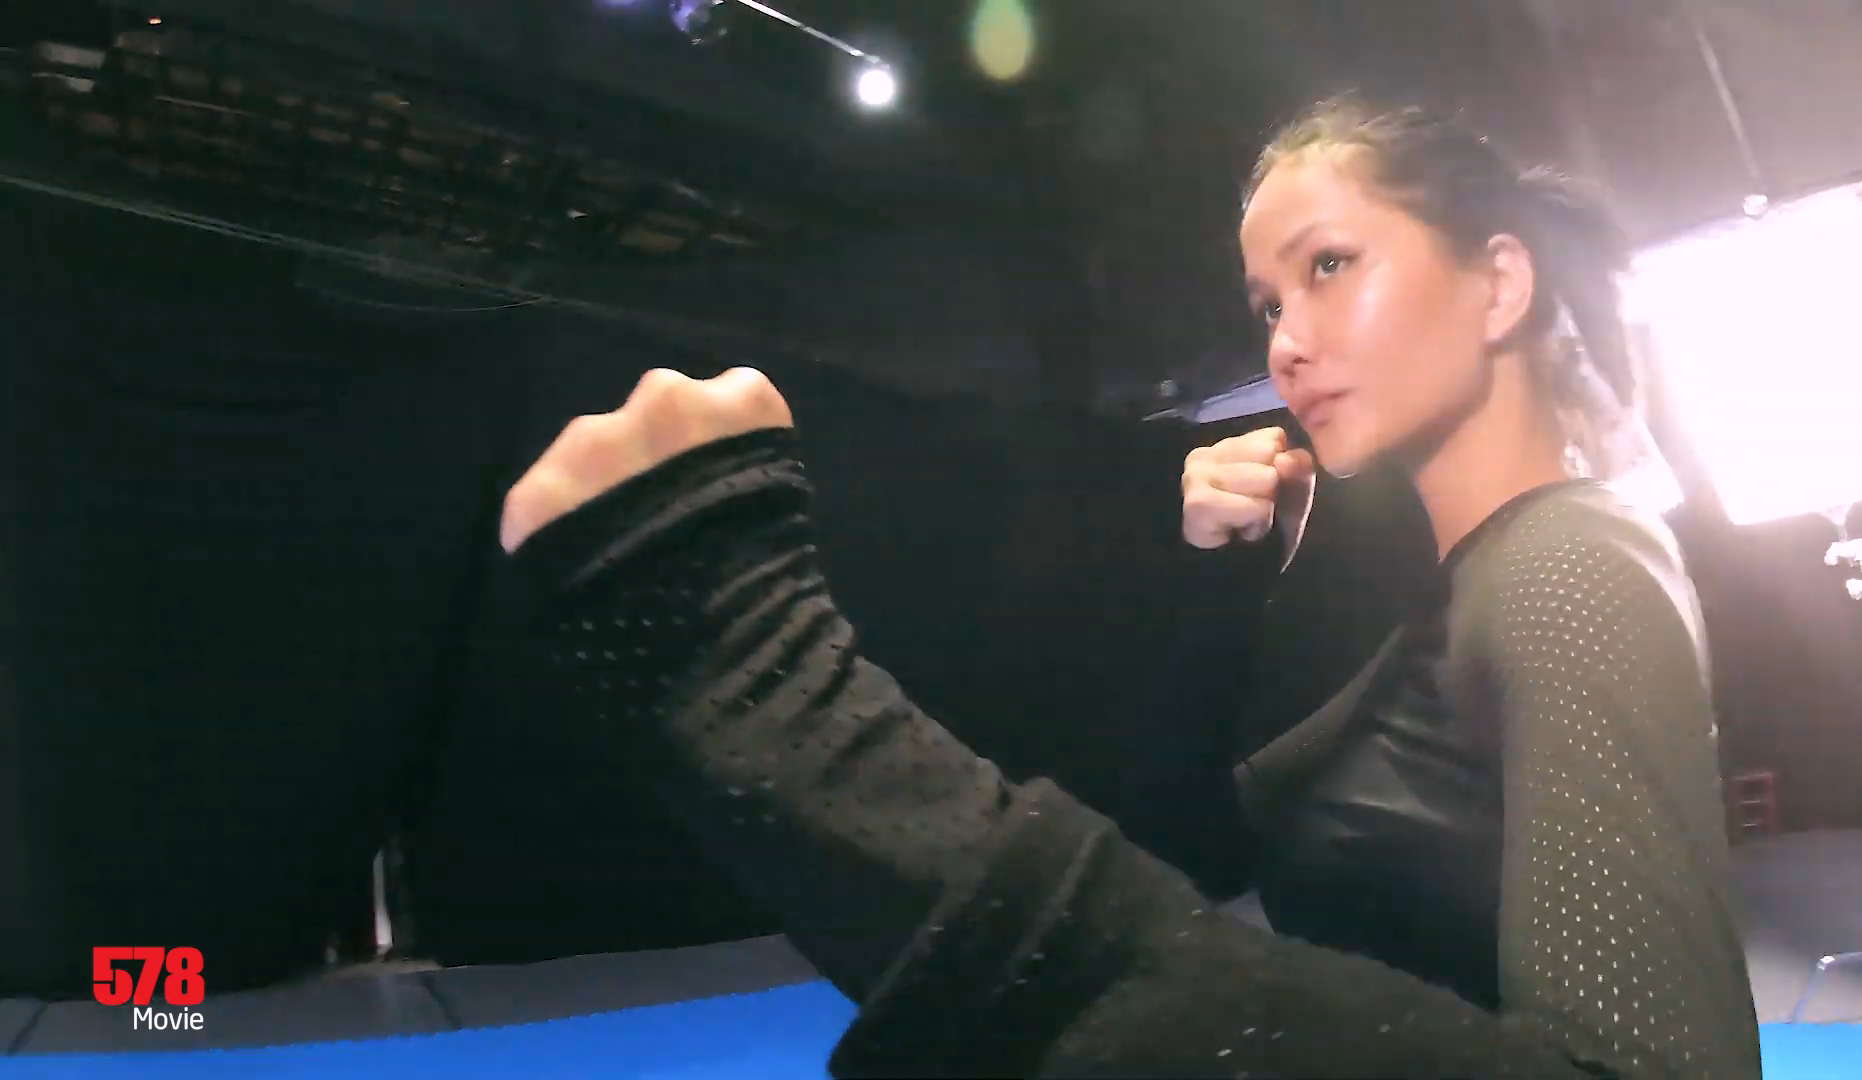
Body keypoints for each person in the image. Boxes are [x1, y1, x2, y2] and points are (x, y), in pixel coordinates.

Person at [497, 100, 1763, 1078]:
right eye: (1267, 303)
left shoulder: (1570, 565)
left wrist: (764, 690)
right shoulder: (1439, 579)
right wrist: (1221, 586)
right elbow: (1183, 848)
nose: (1286, 342)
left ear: (1500, 284)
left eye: (1330, 266)